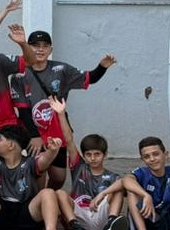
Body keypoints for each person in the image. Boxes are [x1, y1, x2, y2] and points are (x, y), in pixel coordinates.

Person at [9, 26, 116, 187]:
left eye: (45, 46)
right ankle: (38, 206)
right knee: (37, 174)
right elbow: (23, 110)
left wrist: (102, 67)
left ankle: (49, 199)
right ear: (28, 48)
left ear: (51, 49)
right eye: (35, 45)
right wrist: (34, 136)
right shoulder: (19, 74)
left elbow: (89, 78)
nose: (40, 49)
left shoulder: (62, 70)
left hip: (56, 131)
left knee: (58, 177)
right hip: (32, 133)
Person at [46, 96, 130, 230]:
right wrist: (61, 114)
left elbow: (124, 185)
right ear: (84, 156)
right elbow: (69, 140)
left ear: (105, 155)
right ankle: (76, 228)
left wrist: (102, 195)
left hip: (100, 215)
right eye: (89, 155)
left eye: (97, 154)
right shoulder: (79, 167)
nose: (93, 158)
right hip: (79, 215)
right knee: (59, 193)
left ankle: (110, 225)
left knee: (118, 188)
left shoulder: (112, 176)